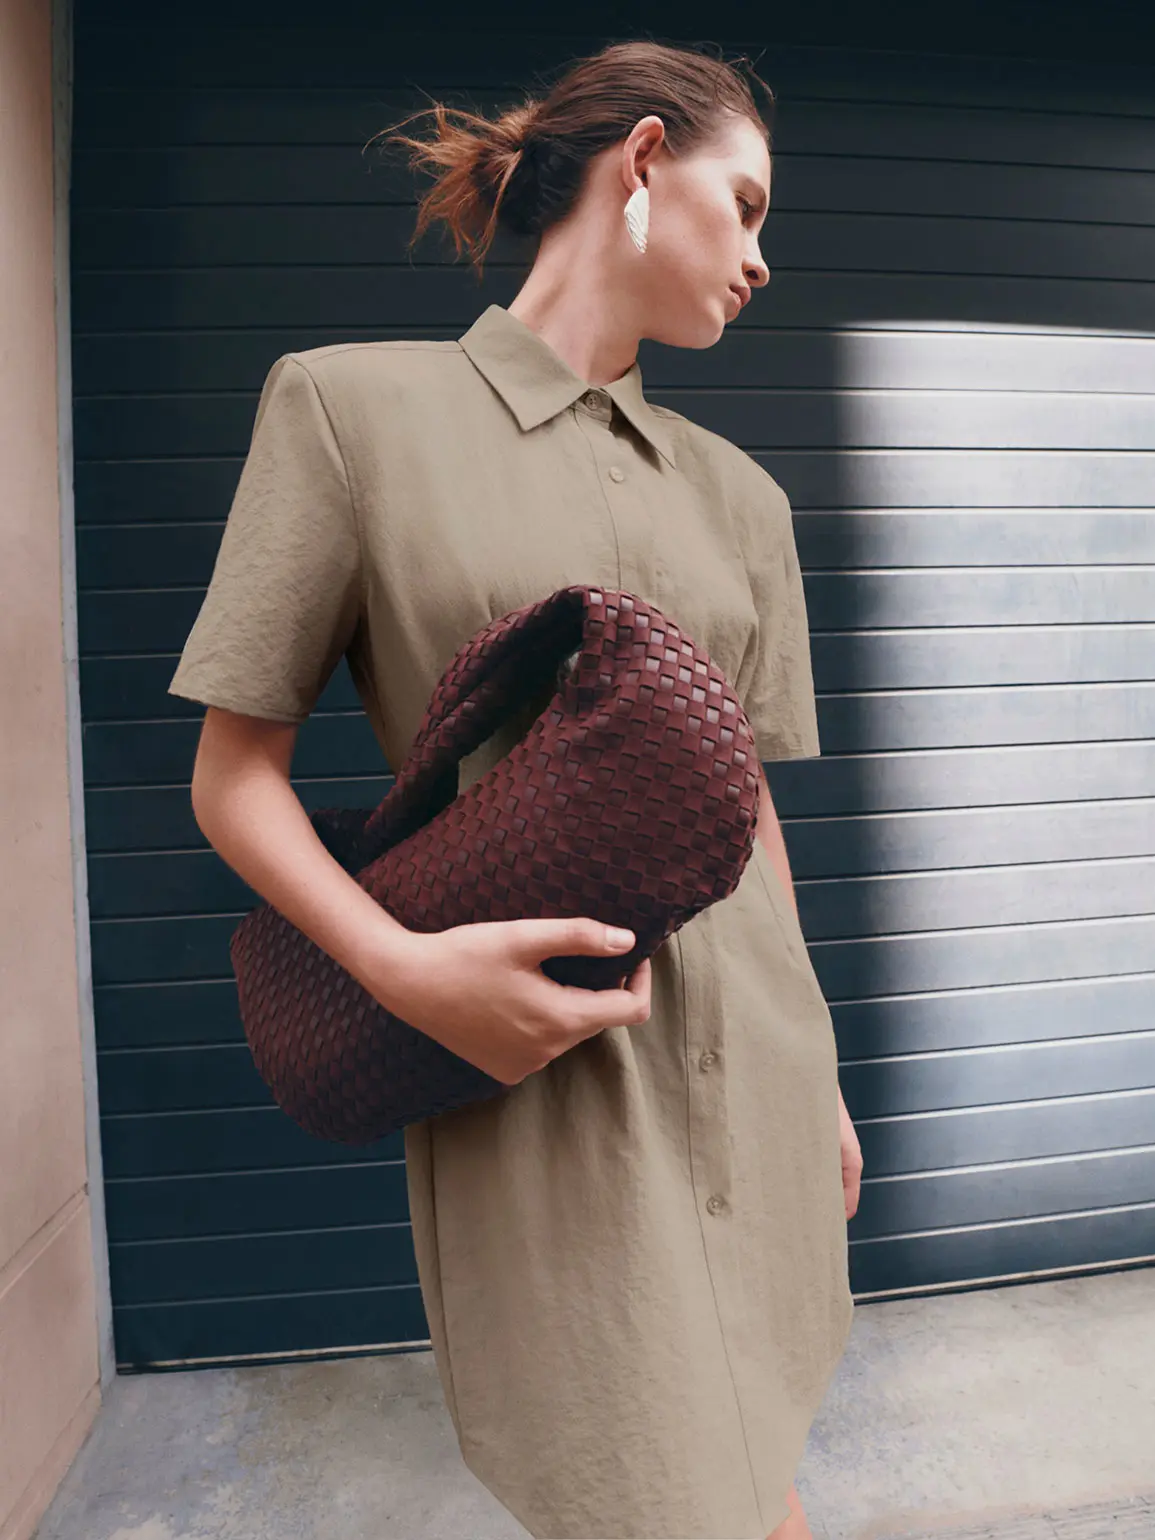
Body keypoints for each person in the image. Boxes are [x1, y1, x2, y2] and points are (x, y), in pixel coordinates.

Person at [168, 36, 863, 1540]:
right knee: (641, 1483)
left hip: (757, 1060)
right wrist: (402, 971)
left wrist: (826, 1078)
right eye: (742, 206)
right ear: (643, 162)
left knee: (761, 1462)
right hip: (541, 1074)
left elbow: (754, 812)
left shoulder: (744, 497)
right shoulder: (350, 413)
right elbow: (233, 781)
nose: (760, 259)